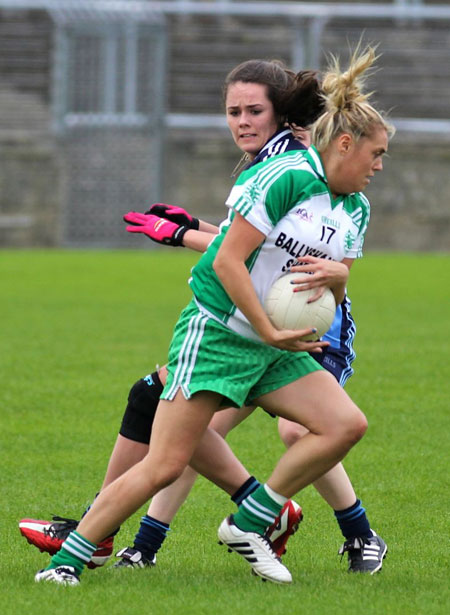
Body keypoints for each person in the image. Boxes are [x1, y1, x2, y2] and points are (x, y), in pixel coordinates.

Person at [33, 44, 394, 586]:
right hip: (221, 335)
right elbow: (229, 258)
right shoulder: (286, 175)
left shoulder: (355, 207)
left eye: (253, 111)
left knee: (344, 425)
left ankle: (251, 520)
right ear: (345, 143)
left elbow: (325, 288)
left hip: (281, 343)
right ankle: (71, 560)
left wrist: (339, 282)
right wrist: (193, 241)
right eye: (377, 154)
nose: (380, 165)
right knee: (167, 462)